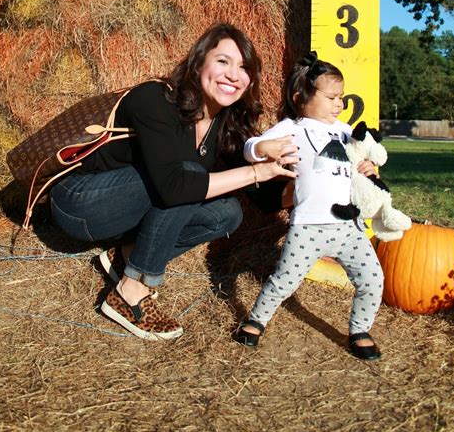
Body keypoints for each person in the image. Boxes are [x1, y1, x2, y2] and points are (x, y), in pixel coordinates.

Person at [50, 23, 297, 341]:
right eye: (223, 61)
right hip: (81, 201)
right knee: (190, 176)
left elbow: (265, 197)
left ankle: (128, 254)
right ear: (199, 62)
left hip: (130, 209)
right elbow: (175, 186)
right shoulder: (154, 99)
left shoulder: (224, 123)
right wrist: (254, 171)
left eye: (244, 67)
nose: (234, 74)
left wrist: (321, 182)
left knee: (228, 213)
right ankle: (131, 292)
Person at [234, 51, 384, 360]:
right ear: (300, 96)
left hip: (349, 227)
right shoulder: (293, 128)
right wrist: (263, 146)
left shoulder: (345, 131)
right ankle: (255, 320)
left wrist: (368, 167)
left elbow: (365, 159)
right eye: (332, 97)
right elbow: (250, 149)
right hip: (307, 227)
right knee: (283, 281)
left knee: (373, 279)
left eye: (341, 97)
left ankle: (360, 329)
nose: (339, 104)